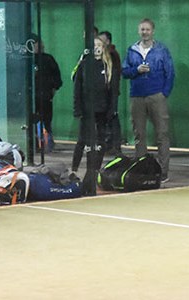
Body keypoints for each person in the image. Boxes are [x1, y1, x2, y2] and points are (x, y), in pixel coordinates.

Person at [122, 18, 175, 183]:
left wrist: (163, 93)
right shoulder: (131, 50)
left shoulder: (162, 50)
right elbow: (124, 72)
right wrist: (136, 70)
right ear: (139, 31)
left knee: (162, 134)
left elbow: (170, 73)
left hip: (156, 96)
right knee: (139, 134)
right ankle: (141, 170)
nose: (144, 32)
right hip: (136, 96)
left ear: (153, 31)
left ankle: (163, 171)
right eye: (142, 29)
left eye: (147, 29)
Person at [71, 37, 120, 195]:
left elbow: (113, 91)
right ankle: (74, 170)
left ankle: (94, 172)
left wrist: (112, 110)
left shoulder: (109, 65)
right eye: (94, 46)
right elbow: (77, 88)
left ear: (103, 47)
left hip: (102, 111)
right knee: (82, 141)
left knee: (100, 142)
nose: (97, 48)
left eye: (99, 45)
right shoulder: (84, 65)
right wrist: (77, 109)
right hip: (87, 111)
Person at [32, 34, 62, 152]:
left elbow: (57, 79)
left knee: (46, 121)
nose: (41, 45)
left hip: (44, 96)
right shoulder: (26, 59)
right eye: (36, 43)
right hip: (32, 97)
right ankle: (35, 144)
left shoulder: (48, 59)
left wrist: (51, 91)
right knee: (32, 121)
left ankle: (47, 144)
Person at [98, 31, 124, 155]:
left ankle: (115, 145)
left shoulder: (113, 55)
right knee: (105, 118)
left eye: (102, 40)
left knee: (112, 116)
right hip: (102, 94)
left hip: (111, 92)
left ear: (108, 41)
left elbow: (116, 73)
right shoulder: (98, 55)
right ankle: (108, 145)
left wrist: (112, 89)